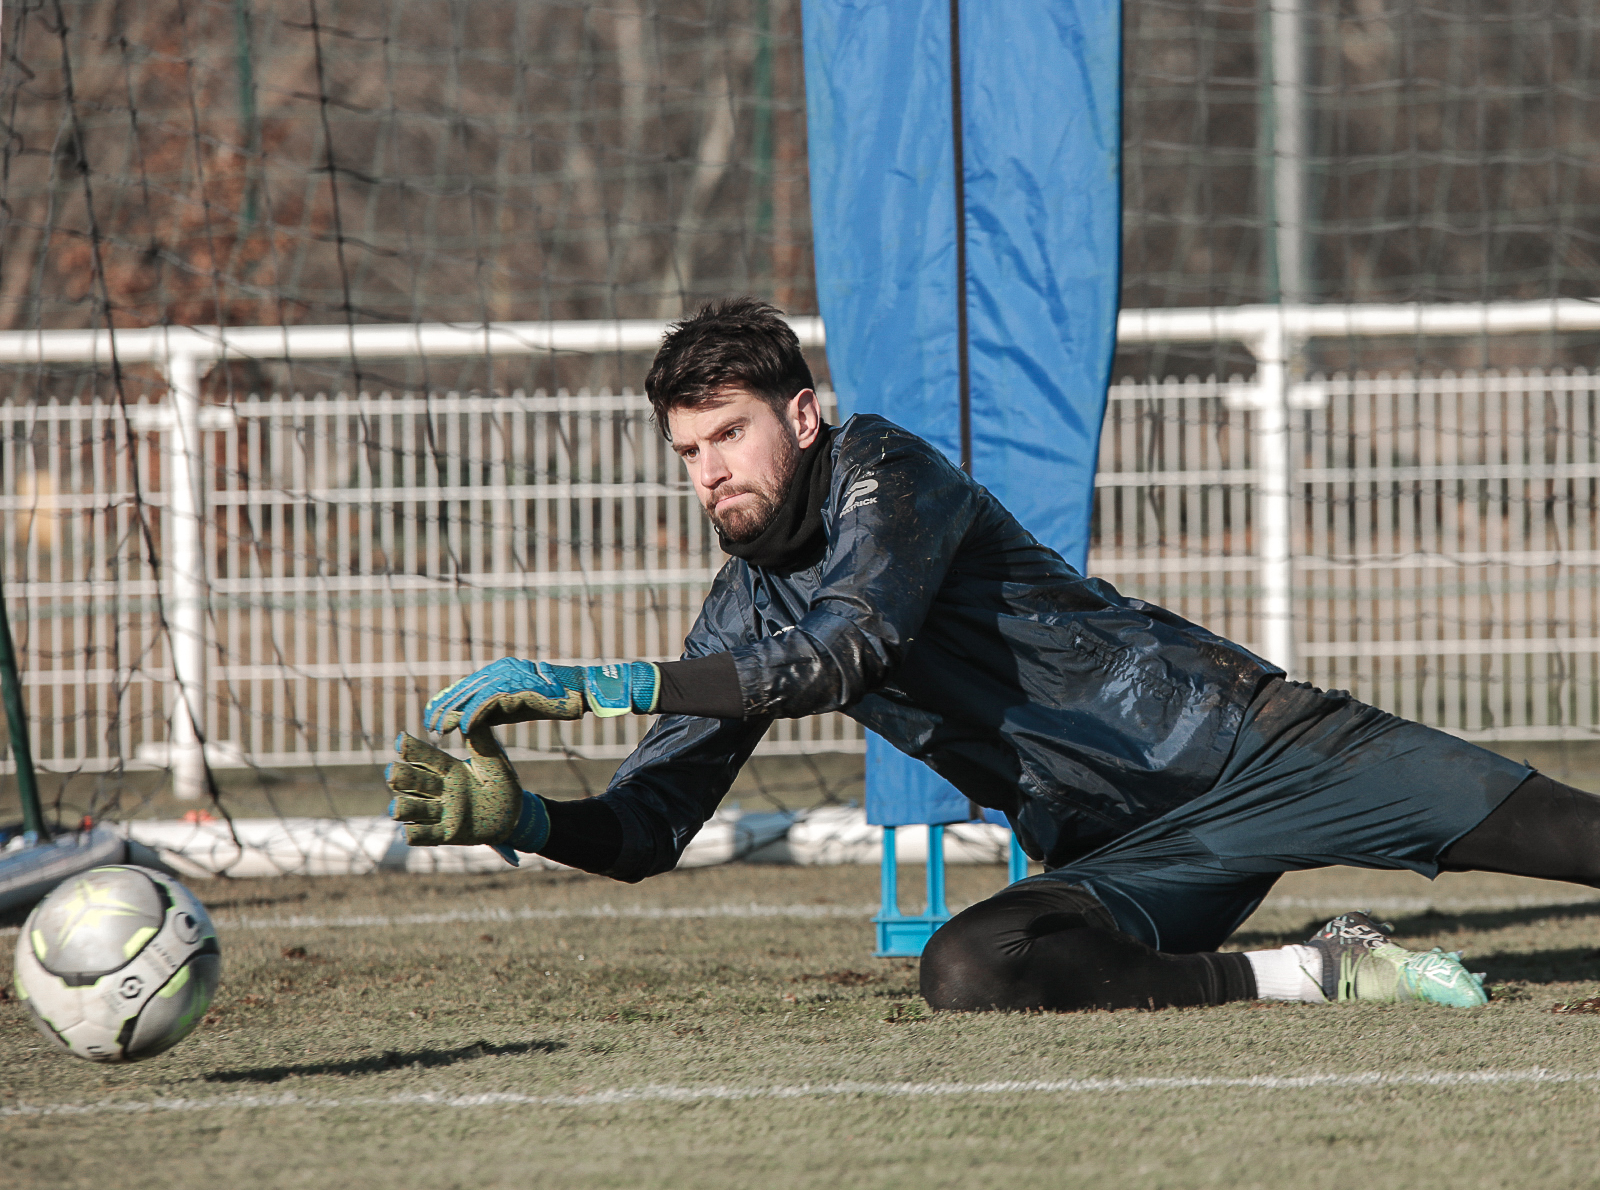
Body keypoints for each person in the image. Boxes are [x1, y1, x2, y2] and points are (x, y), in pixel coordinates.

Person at [385, 298, 1600, 1013]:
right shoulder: (738, 611)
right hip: (1129, 851)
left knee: (1578, 842)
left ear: (800, 419)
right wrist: (523, 821)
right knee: (969, 970)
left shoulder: (887, 471)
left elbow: (845, 648)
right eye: (688, 452)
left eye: (730, 436)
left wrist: (609, 683)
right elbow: (649, 831)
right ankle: (1322, 974)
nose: (710, 473)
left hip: (1259, 745)